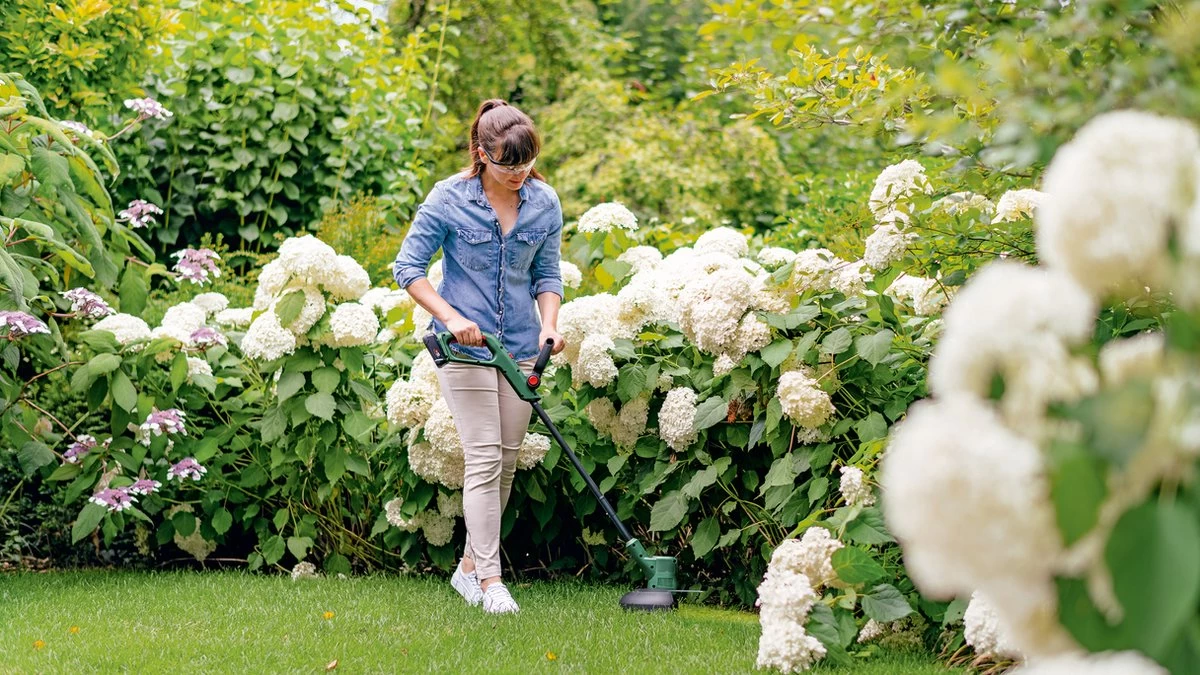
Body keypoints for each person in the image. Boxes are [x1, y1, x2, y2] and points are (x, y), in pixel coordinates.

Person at [392, 99, 566, 615]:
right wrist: (450, 317)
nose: (519, 173)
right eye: (508, 164)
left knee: (506, 462)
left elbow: (547, 274)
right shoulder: (449, 198)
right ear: (481, 153)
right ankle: (491, 581)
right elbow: (408, 268)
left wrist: (550, 324)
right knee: (485, 456)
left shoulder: (544, 203)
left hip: (520, 346)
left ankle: (468, 568)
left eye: (527, 162)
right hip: (463, 347)